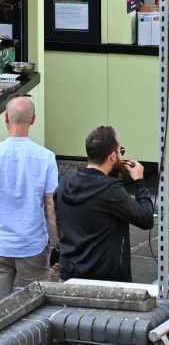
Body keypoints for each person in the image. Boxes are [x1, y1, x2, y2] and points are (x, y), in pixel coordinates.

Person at [55, 126, 154, 283]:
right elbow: (146, 218)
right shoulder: (110, 190)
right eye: (121, 151)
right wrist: (140, 182)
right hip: (105, 279)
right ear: (113, 156)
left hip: (70, 274)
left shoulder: (66, 180)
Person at [0, 98, 58, 295]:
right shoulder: (46, 157)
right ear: (33, 120)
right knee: (36, 306)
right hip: (31, 244)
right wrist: (56, 244)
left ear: (6, 118)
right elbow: (50, 206)